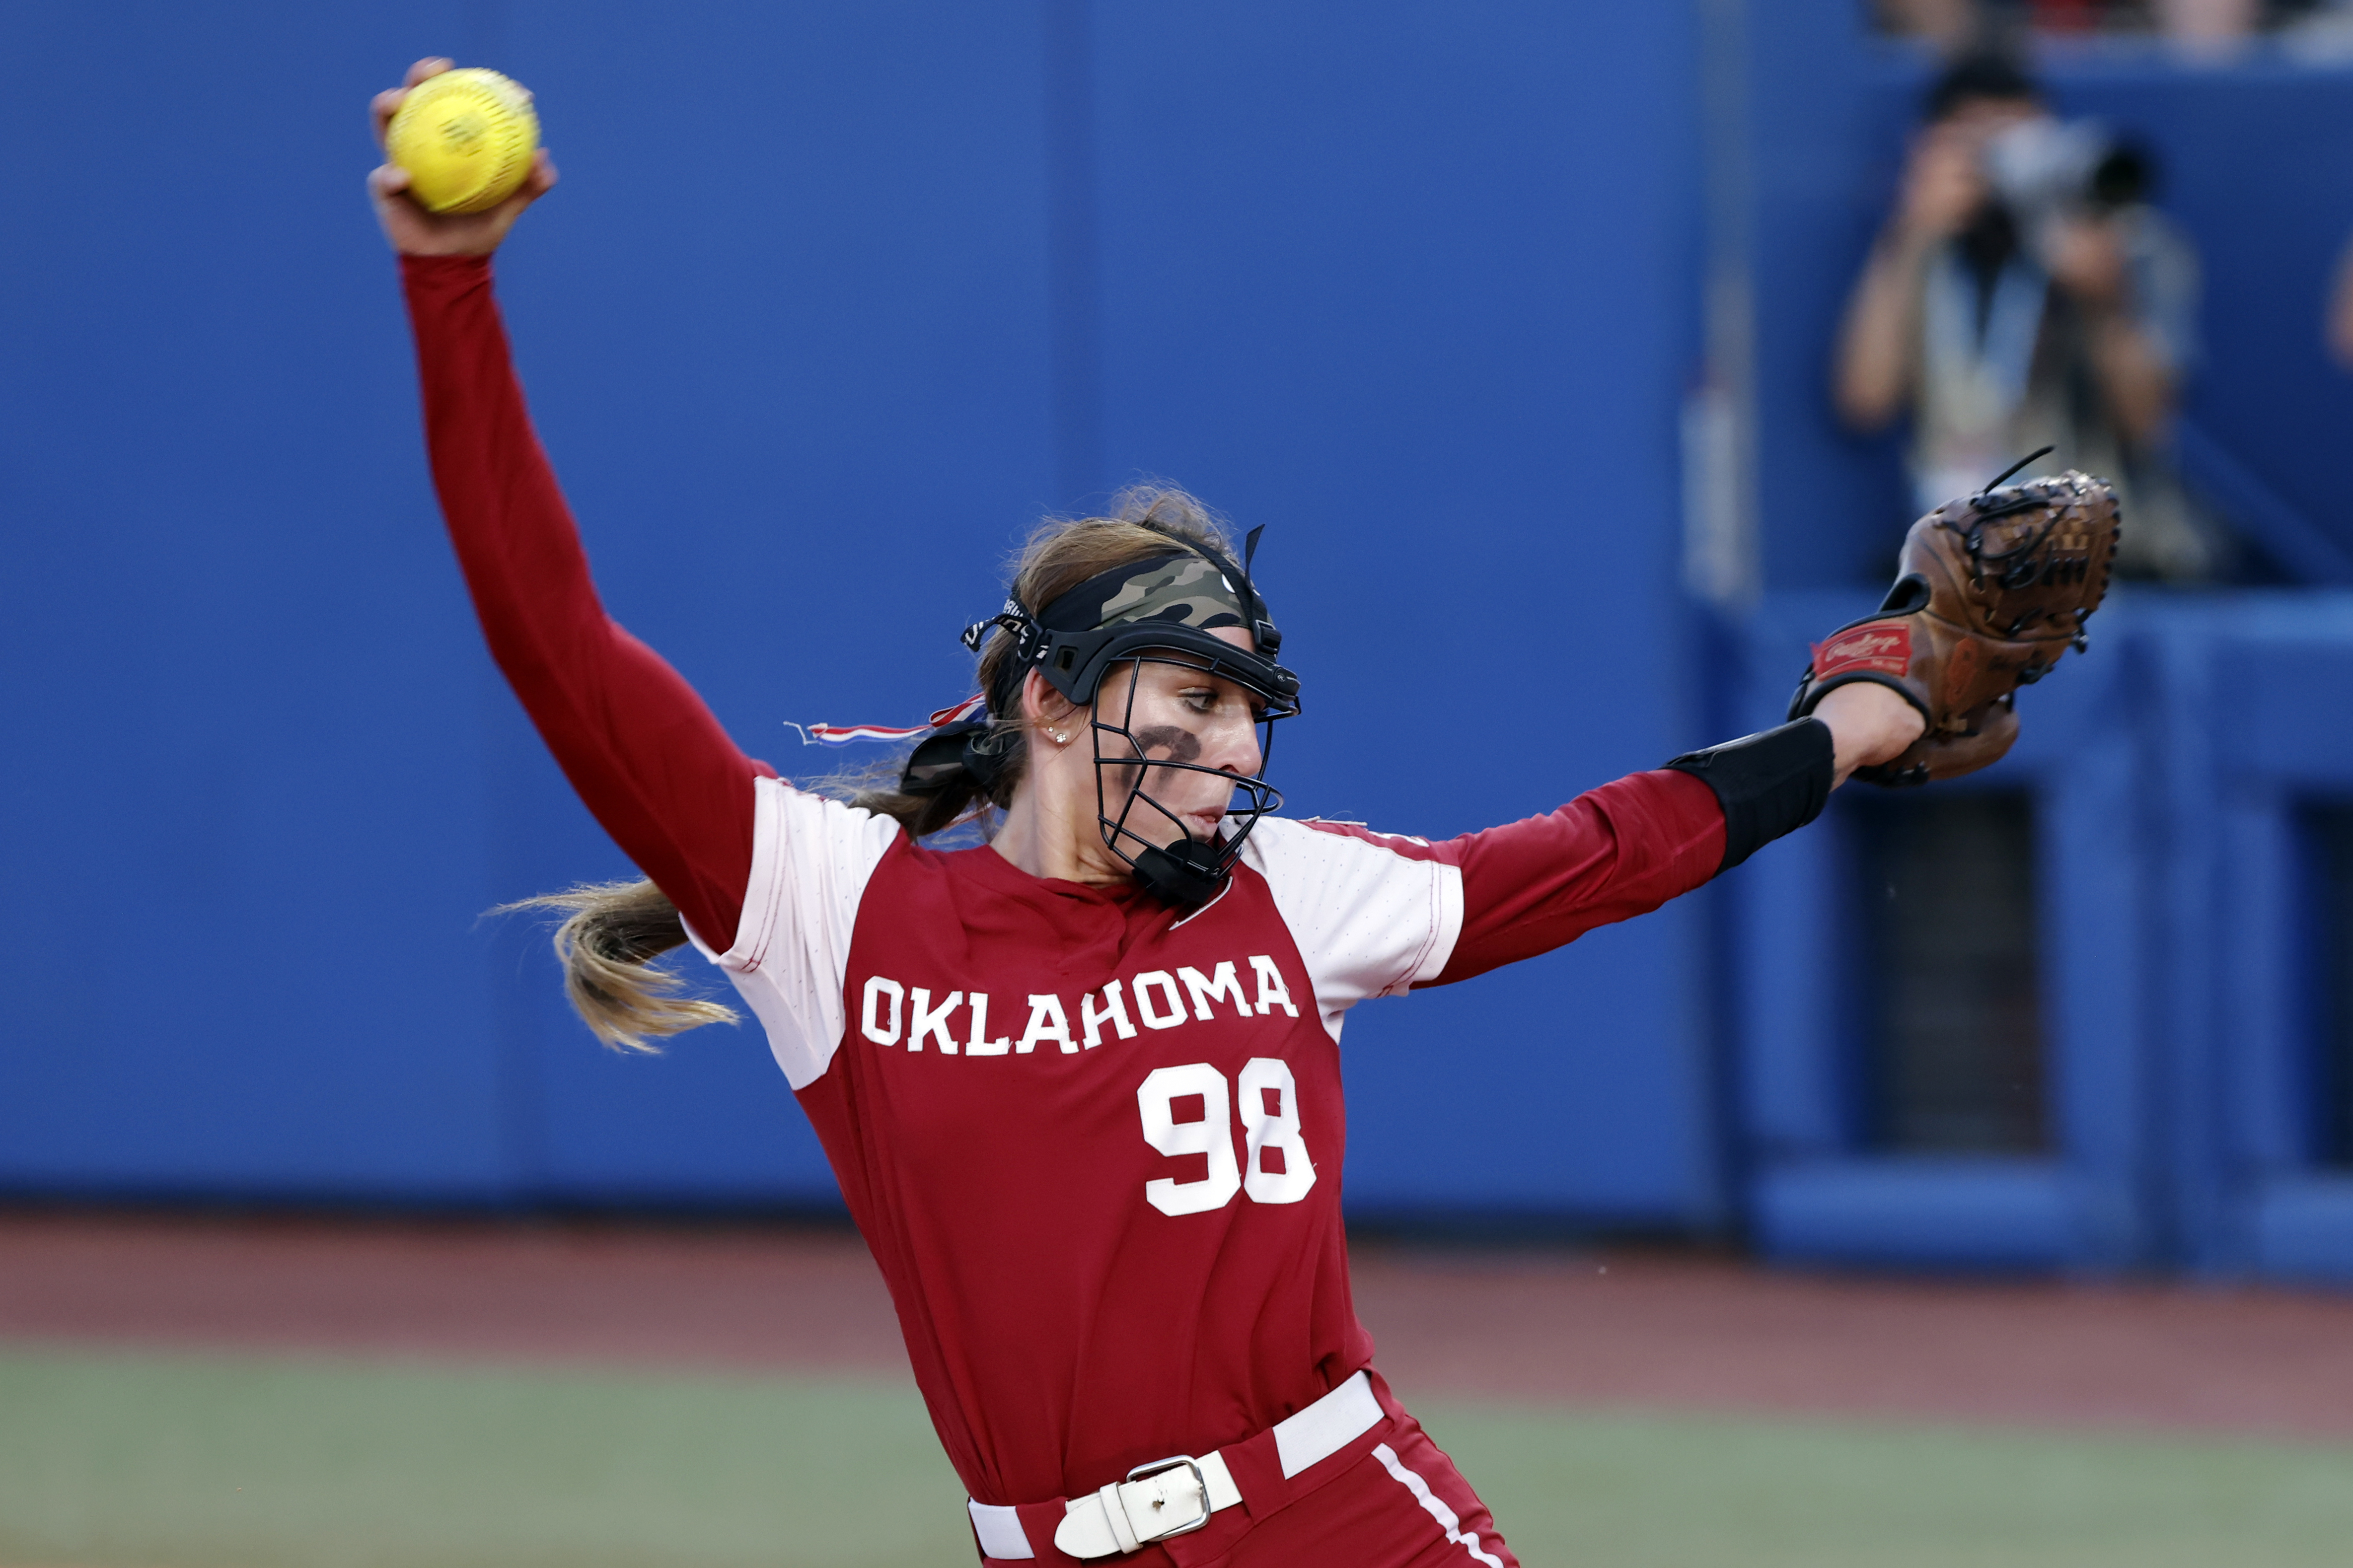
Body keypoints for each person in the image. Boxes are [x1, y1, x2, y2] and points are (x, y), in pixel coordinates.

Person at [370, 57, 1925, 1568]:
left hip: (1341, 1517)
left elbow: (1599, 852)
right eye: (1187, 700)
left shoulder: (1291, 894)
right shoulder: (831, 908)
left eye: (1246, 713)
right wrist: (452, 290)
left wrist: (1857, 723)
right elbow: (551, 634)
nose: (1228, 749)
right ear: (1051, 703)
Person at [1834, 52, 2216, 579]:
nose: (2004, 167)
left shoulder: (2132, 245)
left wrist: (2105, 303)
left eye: (2022, 142)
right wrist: (1910, 235)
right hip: (1956, 566)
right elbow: (1864, 401)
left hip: (2101, 564)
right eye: (1981, 147)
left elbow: (2148, 424)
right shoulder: (1922, 250)